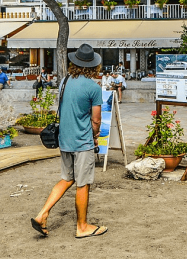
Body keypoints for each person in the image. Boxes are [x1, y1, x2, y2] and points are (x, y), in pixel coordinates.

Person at [32, 44, 106, 239]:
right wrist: (95, 135)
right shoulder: (93, 87)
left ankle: (42, 214)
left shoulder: (64, 81)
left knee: (67, 178)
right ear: (93, 66)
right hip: (82, 141)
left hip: (65, 139)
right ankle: (82, 227)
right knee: (83, 183)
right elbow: (96, 120)